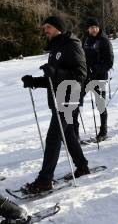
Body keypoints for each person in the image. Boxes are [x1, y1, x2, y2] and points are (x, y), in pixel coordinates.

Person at [21, 16, 90, 193]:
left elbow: (81, 75)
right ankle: (82, 165)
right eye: (44, 27)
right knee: (67, 135)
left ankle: (45, 180)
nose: (45, 30)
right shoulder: (55, 47)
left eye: (49, 27)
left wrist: (56, 72)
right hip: (58, 97)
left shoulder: (72, 44)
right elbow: (53, 78)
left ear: (59, 28)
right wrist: (34, 81)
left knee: (53, 138)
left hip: (69, 97)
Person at [81, 17, 114, 142]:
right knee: (76, 101)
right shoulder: (86, 40)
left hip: (99, 77)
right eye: (91, 27)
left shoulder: (104, 41)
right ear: (88, 29)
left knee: (100, 105)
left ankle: (103, 132)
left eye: (95, 27)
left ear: (98, 28)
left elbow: (109, 62)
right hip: (85, 77)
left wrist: (94, 69)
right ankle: (72, 132)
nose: (93, 29)